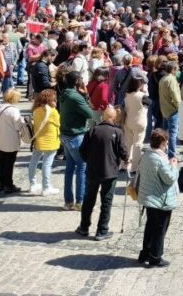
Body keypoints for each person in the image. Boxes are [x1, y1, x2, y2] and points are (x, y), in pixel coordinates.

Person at [76, 105, 129, 240]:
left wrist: (89, 160)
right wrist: (127, 159)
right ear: (114, 118)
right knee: (106, 201)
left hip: (92, 171)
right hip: (109, 172)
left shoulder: (92, 130)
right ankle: (102, 230)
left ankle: (84, 227)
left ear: (103, 117)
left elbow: (82, 151)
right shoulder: (117, 132)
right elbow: (123, 153)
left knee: (89, 199)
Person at [137, 128, 179, 268]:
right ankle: (155, 257)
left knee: (150, 226)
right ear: (163, 142)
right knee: (160, 229)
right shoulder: (160, 159)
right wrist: (174, 166)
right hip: (160, 200)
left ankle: (145, 253)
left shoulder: (146, 155)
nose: (167, 145)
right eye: (166, 142)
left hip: (149, 198)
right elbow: (169, 178)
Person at [59, 70, 94, 210]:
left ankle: (68, 202)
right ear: (77, 81)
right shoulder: (76, 97)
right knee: (81, 167)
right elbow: (90, 113)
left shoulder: (64, 93)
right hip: (76, 135)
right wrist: (85, 96)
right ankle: (80, 202)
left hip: (66, 134)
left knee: (69, 167)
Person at [27, 88, 61, 196]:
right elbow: (59, 124)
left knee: (34, 161)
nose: (55, 101)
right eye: (54, 99)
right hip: (50, 141)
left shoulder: (36, 110)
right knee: (47, 164)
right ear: (50, 100)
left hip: (38, 140)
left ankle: (32, 184)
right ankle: (46, 187)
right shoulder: (53, 112)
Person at [0, 87, 25, 194]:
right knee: (9, 163)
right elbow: (18, 126)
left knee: (2, 161)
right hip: (11, 139)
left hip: (1, 137)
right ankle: (8, 184)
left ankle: (2, 183)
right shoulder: (13, 110)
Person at [123, 75, 149, 173]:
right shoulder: (142, 96)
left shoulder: (127, 94)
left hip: (128, 121)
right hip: (140, 122)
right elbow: (150, 103)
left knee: (128, 143)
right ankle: (134, 167)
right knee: (138, 145)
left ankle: (124, 165)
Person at [158, 61, 181, 159]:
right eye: (177, 69)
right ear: (173, 70)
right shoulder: (171, 79)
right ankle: (172, 154)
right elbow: (175, 95)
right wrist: (180, 107)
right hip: (172, 110)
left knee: (165, 133)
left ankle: (163, 150)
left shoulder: (163, 78)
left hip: (165, 109)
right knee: (172, 134)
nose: (178, 71)